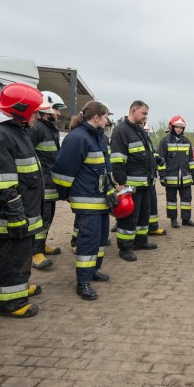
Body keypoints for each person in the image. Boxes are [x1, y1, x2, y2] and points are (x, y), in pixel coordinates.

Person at [0, 83, 50, 318]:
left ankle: (19, 288)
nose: (38, 117)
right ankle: (9, 303)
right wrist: (16, 214)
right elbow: (0, 183)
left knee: (20, 255)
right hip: (9, 217)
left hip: (21, 212)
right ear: (21, 111)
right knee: (10, 259)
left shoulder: (15, 131)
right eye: (35, 112)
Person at [52, 101, 113, 300]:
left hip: (101, 199)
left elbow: (104, 168)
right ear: (96, 117)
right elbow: (62, 170)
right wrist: (65, 194)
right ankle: (83, 282)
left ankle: (94, 270)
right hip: (87, 201)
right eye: (105, 117)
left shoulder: (99, 138)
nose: (107, 120)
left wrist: (111, 189)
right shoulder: (77, 138)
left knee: (100, 239)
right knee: (88, 241)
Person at [109, 100, 158, 260]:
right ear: (133, 110)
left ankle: (140, 241)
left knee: (144, 215)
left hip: (146, 183)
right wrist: (121, 184)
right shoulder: (121, 131)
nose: (145, 117)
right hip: (131, 186)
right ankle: (125, 248)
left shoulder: (140, 131)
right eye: (144, 113)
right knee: (129, 218)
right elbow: (117, 160)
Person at [30, 91, 66, 269]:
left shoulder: (49, 129)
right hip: (40, 184)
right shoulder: (36, 129)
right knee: (41, 218)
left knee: (48, 216)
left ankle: (42, 245)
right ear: (47, 109)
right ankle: (35, 253)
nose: (58, 113)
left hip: (49, 182)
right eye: (56, 109)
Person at [158, 115, 194, 228]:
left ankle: (186, 219)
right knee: (171, 200)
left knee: (186, 199)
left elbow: (191, 159)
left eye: (181, 128)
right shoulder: (164, 141)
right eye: (177, 127)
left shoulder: (187, 141)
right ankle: (173, 219)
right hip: (171, 177)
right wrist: (162, 176)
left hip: (185, 177)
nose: (179, 129)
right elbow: (161, 161)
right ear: (172, 127)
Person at [146, 124, 167, 237]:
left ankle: (153, 227)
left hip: (150, 178)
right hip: (141, 178)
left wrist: (157, 158)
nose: (147, 132)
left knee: (152, 204)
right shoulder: (134, 136)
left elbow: (151, 152)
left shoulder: (146, 138)